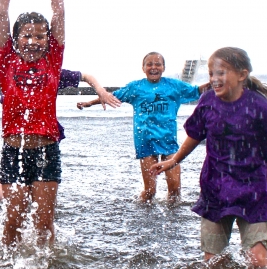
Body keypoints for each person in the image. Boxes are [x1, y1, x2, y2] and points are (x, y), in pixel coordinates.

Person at [0, 0, 114, 247]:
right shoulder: (6, 61)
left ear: (49, 40)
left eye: (40, 36)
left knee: (44, 223)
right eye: (26, 35)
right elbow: (1, 14)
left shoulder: (53, 60)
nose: (33, 41)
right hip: (14, 150)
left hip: (47, 150)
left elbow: (59, 12)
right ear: (15, 39)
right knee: (13, 222)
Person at [152, 47, 267, 269]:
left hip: (254, 192)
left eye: (221, 73)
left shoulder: (259, 106)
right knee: (213, 265)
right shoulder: (208, 102)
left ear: (242, 75)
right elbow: (195, 135)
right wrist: (174, 160)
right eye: (211, 73)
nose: (214, 79)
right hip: (215, 189)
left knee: (258, 262)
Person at [78, 52, 205, 202]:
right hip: (145, 141)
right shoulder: (135, 87)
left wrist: (218, 82)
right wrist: (89, 103)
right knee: (150, 191)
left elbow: (197, 91)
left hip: (168, 140)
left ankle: (171, 216)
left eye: (158, 64)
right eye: (149, 64)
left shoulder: (174, 86)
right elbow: (111, 96)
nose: (153, 67)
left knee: (175, 190)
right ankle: (140, 211)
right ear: (143, 68)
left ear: (163, 68)